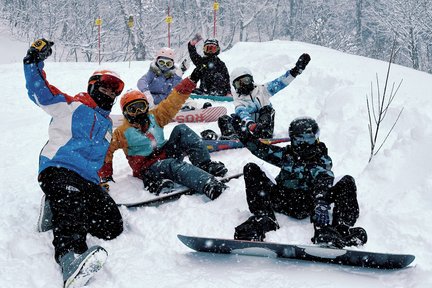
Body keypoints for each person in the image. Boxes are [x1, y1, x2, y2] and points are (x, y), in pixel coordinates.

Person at [24, 39, 124, 287]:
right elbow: (39, 92)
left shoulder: (107, 124)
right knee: (72, 204)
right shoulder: (70, 105)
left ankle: (55, 207)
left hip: (87, 179)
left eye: (115, 90)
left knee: (112, 226)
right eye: (106, 87)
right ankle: (71, 257)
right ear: (93, 86)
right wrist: (33, 61)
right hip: (59, 169)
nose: (110, 93)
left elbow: (99, 157)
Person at [233, 117, 368, 248]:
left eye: (310, 139)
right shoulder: (287, 156)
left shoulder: (321, 158)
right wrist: (244, 135)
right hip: (283, 199)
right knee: (251, 168)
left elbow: (323, 178)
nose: (306, 144)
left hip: (311, 202)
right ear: (293, 140)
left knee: (346, 181)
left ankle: (338, 229)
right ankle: (264, 219)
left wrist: (321, 201)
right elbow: (260, 149)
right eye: (300, 140)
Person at [99, 68, 229, 200]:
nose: (138, 112)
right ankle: (207, 183)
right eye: (133, 109)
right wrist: (106, 176)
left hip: (165, 153)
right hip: (148, 167)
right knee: (170, 165)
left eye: (141, 106)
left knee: (181, 129)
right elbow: (106, 150)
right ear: (126, 112)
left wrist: (191, 80)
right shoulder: (122, 132)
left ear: (147, 107)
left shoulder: (156, 117)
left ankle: (204, 164)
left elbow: (174, 100)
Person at [217, 53, 311, 140]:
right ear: (235, 86)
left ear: (251, 80)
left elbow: (280, 82)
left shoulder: (263, 90)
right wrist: (250, 124)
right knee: (225, 118)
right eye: (239, 83)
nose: (244, 85)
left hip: (264, 127)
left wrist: (295, 71)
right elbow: (242, 113)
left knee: (266, 109)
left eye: (246, 80)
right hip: (248, 128)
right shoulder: (239, 100)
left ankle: (263, 132)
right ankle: (231, 135)